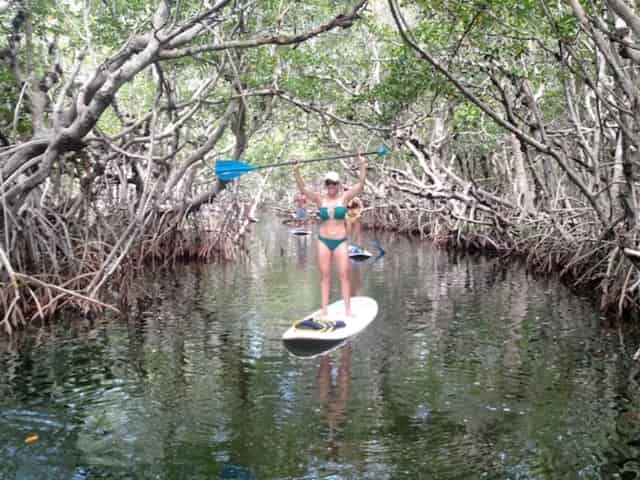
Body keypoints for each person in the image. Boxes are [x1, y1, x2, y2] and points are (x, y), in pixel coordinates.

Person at [293, 154, 366, 318]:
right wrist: (296, 171)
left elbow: (360, 185)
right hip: (323, 241)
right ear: (326, 185)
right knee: (324, 276)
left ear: (338, 185)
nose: (331, 186)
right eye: (328, 183)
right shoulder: (320, 199)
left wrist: (362, 165)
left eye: (334, 183)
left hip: (340, 241)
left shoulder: (344, 197)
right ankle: (324, 309)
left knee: (344, 275)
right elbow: (303, 189)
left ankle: (348, 310)